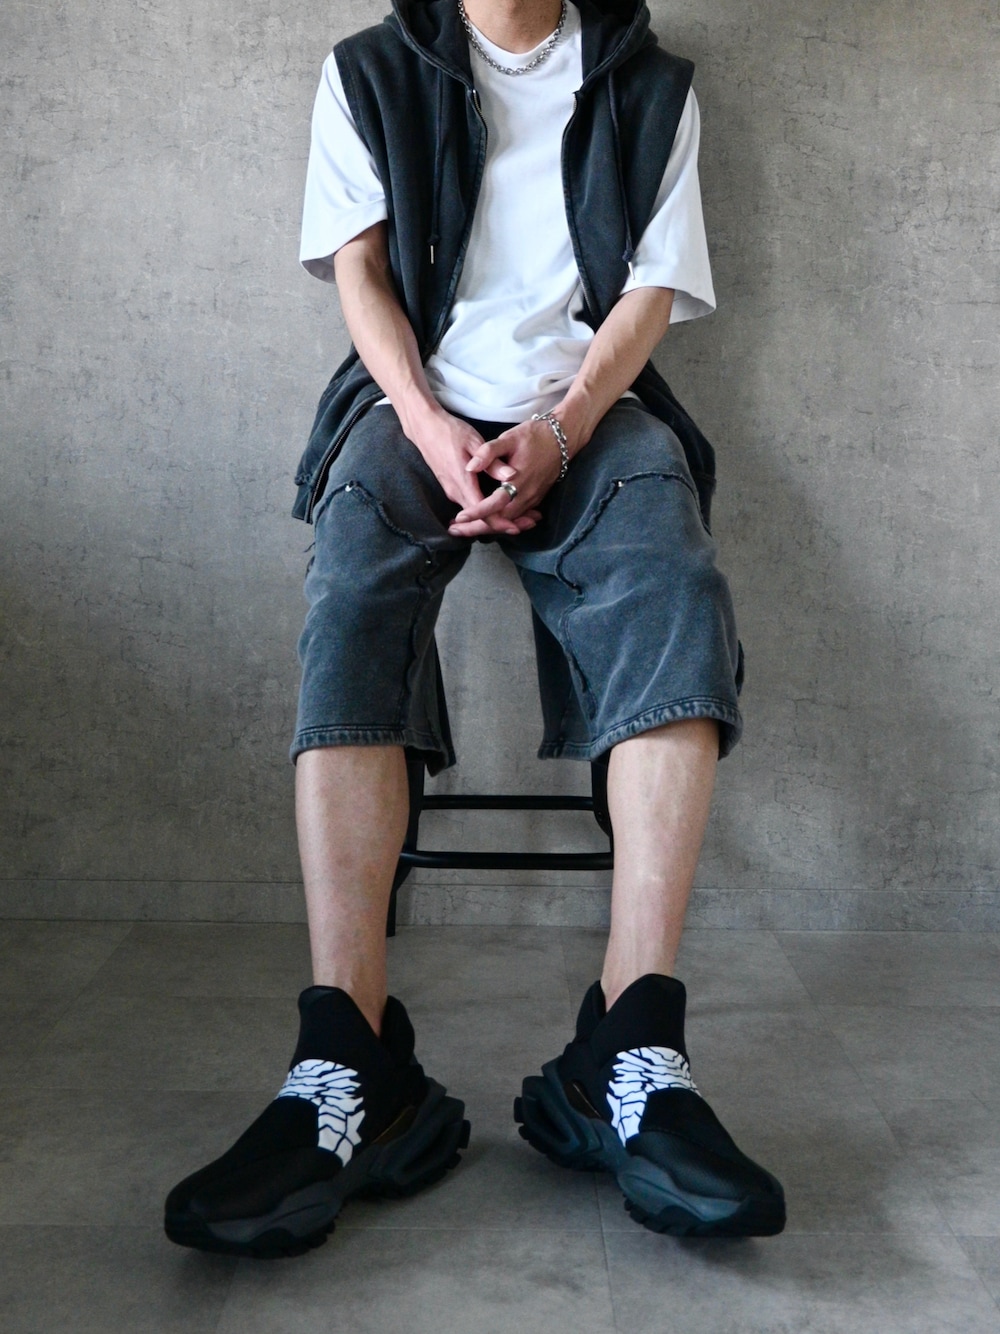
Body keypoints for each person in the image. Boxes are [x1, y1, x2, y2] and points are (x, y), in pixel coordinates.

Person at [164, 0, 786, 1258]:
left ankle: (632, 1045)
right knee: (351, 586)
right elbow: (359, 269)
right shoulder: (369, 71)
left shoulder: (651, 86)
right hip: (410, 407)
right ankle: (348, 1060)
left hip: (591, 413)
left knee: (670, 577)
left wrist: (558, 429)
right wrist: (429, 423)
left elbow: (650, 291)